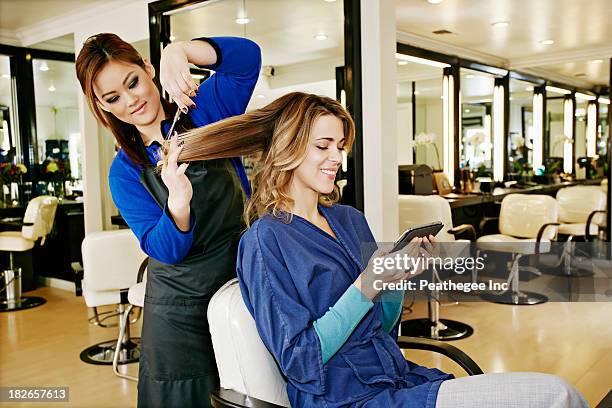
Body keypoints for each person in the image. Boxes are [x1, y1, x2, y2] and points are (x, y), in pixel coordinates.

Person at [170, 92, 589, 408]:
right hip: (344, 399)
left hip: (397, 379)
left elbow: (382, 327)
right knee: (556, 396)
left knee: (559, 395)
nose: (337, 157)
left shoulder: (349, 219)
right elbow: (299, 362)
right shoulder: (264, 242)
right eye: (323, 146)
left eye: (340, 146)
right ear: (287, 149)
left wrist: (395, 282)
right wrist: (367, 285)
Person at [75, 34, 261, 407]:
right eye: (113, 98)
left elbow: (247, 59)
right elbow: (163, 250)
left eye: (133, 82)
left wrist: (181, 51)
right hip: (178, 308)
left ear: (148, 69)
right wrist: (178, 203)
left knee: (249, 388)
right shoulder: (124, 172)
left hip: (239, 279)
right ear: (102, 106)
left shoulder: (206, 111)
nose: (131, 100)